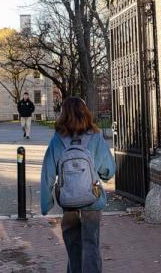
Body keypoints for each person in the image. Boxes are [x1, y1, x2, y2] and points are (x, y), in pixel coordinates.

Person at [40, 97, 116, 273]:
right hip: (92, 198)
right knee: (91, 244)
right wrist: (103, 175)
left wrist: (46, 203)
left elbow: (48, 173)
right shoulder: (95, 137)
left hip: (68, 200)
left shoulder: (57, 139)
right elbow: (109, 169)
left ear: (63, 114)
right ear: (85, 111)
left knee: (73, 244)